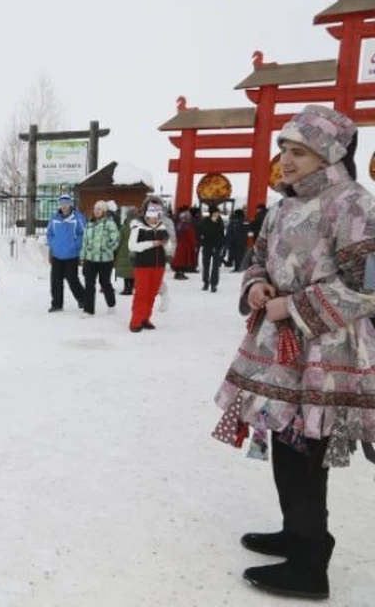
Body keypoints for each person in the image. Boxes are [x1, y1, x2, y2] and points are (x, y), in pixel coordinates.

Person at [211, 105, 375, 600]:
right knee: (285, 444)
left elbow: (366, 287)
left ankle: (310, 561)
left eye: (299, 151)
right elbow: (258, 257)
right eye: (284, 149)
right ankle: (297, 533)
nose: (286, 159)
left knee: (306, 451)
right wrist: (258, 285)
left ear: (327, 153)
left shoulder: (353, 205)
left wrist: (293, 305)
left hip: (326, 354)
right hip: (278, 347)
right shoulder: (282, 206)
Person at [127, 196, 173, 332]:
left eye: (157, 211)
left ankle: (145, 318)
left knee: (152, 294)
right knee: (141, 293)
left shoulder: (162, 226)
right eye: (152, 210)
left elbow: (169, 247)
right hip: (143, 265)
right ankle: (135, 322)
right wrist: (152, 243)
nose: (155, 215)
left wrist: (166, 244)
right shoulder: (137, 226)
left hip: (158, 266)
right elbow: (132, 246)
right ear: (146, 210)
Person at [46, 194, 86, 312]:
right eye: (62, 204)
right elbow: (49, 233)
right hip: (57, 254)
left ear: (70, 205)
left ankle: (83, 299)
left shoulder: (78, 217)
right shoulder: (54, 218)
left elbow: (84, 233)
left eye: (66, 204)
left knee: (72, 278)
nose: (64, 206)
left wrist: (76, 245)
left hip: (72, 255)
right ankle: (57, 304)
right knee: (55, 280)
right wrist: (53, 244)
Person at [79, 200, 119, 316]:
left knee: (104, 282)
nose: (97, 211)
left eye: (99, 209)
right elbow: (84, 242)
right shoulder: (89, 224)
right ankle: (88, 310)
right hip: (90, 259)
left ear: (104, 211)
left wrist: (106, 248)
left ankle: (111, 305)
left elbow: (116, 240)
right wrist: (82, 257)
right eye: (95, 209)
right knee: (89, 283)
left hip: (105, 260)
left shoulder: (109, 224)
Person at [198, 204, 225, 292]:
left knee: (215, 266)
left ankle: (214, 284)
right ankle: (206, 282)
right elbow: (202, 232)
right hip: (207, 246)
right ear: (211, 213)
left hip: (217, 247)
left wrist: (221, 245)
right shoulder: (205, 221)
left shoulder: (220, 221)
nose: (217, 214)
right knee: (206, 265)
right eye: (216, 212)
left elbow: (221, 234)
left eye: (218, 212)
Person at [114, 207, 136, 296]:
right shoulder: (139, 225)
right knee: (132, 270)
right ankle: (132, 286)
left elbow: (119, 240)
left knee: (126, 271)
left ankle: (127, 288)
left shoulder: (124, 226)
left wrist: (116, 250)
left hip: (124, 250)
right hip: (135, 250)